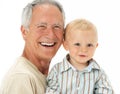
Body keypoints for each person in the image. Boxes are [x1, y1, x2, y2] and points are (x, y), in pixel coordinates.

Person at [0, 0, 65, 94]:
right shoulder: (22, 78)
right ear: (24, 32)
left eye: (57, 26)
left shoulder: (54, 77)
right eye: (42, 26)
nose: (51, 35)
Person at [46, 19, 114, 94]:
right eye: (77, 44)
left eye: (89, 45)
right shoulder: (57, 70)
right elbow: (51, 91)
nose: (84, 50)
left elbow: (106, 91)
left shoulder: (99, 73)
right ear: (66, 45)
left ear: (96, 46)